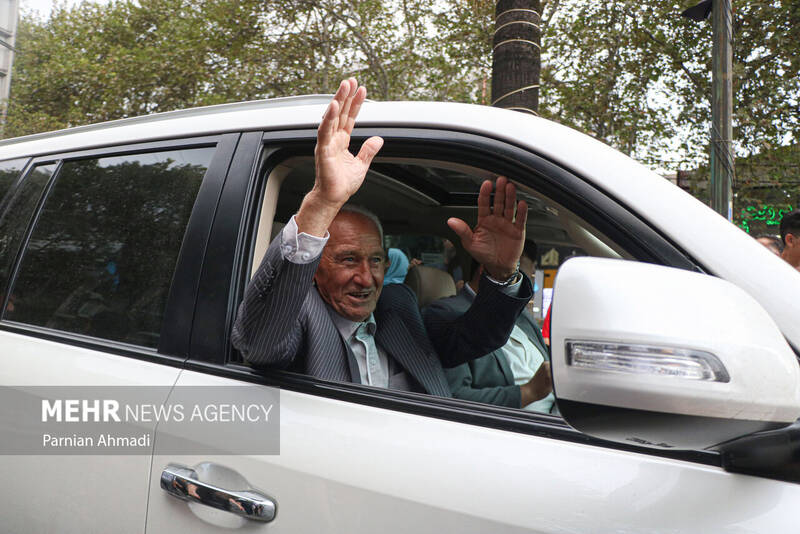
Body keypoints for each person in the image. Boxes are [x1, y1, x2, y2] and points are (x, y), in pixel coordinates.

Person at [232, 78, 533, 396]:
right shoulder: (302, 312)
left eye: (375, 260)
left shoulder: (397, 305)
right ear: (315, 268)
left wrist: (501, 274)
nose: (366, 278)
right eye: (349, 259)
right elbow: (261, 344)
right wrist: (323, 203)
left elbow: (475, 338)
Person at [425, 247, 554, 413]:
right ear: (486, 270)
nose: (522, 286)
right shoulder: (446, 314)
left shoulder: (521, 314)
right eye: (514, 274)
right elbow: (454, 396)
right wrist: (528, 392)